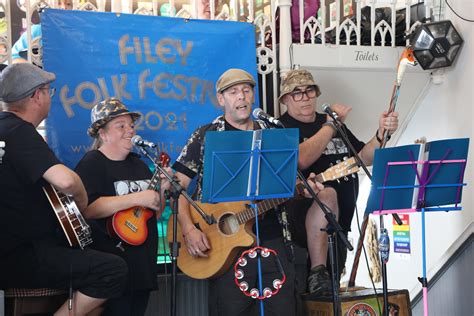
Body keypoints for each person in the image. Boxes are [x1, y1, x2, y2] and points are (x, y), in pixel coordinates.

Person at [172, 68, 323, 315]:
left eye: (246, 90)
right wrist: (188, 229)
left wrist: (302, 189)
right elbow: (176, 188)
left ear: (253, 96)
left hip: (274, 239)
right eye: (233, 92)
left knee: (284, 308)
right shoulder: (206, 136)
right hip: (224, 246)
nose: (241, 97)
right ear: (221, 99)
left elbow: (287, 182)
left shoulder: (273, 132)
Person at [0, 63, 127, 316]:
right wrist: (81, 201)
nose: (50, 97)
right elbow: (67, 181)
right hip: (21, 255)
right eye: (49, 91)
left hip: (13, 250)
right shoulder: (18, 130)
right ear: (37, 96)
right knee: (112, 269)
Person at [278, 69, 399, 295]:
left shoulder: (331, 123)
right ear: (285, 99)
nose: (305, 97)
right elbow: (301, 159)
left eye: (309, 91)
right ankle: (317, 270)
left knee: (330, 298)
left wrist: (382, 133)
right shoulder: (281, 127)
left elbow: (363, 157)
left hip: (339, 228)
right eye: (297, 93)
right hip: (302, 238)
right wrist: (331, 126)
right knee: (305, 301)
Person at [75, 97, 170, 315]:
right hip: (111, 267)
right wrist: (137, 198)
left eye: (131, 125)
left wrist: (162, 189)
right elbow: (88, 208)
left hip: (142, 266)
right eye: (121, 126)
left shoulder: (139, 164)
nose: (130, 130)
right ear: (103, 133)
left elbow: (152, 215)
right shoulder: (92, 163)